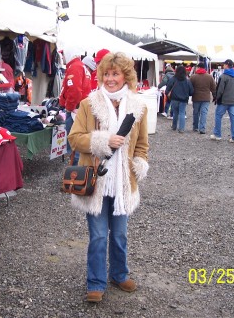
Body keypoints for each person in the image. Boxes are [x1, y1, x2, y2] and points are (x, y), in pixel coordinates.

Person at [68, 52, 149, 303]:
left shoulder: (138, 106)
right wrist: (102, 141)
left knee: (120, 234)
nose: (110, 78)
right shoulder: (88, 104)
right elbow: (74, 138)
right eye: (106, 74)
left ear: (126, 76)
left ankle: (119, 274)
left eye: (115, 73)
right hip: (96, 182)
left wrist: (140, 163)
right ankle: (95, 282)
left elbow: (142, 145)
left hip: (124, 183)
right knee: (99, 235)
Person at [58, 46, 91, 164]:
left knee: (74, 141)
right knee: (78, 141)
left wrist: (69, 107)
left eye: (63, 54)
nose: (62, 57)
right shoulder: (80, 66)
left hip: (75, 110)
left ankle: (77, 173)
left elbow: (75, 91)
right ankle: (78, 170)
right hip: (80, 109)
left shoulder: (75, 67)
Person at [210, 59, 234, 143]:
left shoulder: (223, 76)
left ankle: (217, 134)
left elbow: (220, 90)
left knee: (218, 116)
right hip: (233, 101)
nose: (223, 66)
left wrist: (216, 98)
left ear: (226, 65)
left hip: (223, 101)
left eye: (224, 65)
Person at [165, 65, 194, 133]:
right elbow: (191, 91)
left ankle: (174, 126)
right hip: (183, 99)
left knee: (175, 113)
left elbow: (167, 89)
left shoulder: (173, 79)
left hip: (174, 99)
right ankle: (181, 129)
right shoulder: (187, 81)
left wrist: (169, 95)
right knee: (182, 113)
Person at [190, 62, 216, 134]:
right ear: (205, 68)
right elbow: (213, 88)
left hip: (196, 97)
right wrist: (215, 96)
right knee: (204, 113)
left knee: (196, 113)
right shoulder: (209, 77)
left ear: (198, 67)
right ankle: (202, 128)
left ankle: (195, 127)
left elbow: (189, 87)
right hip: (206, 98)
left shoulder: (193, 77)